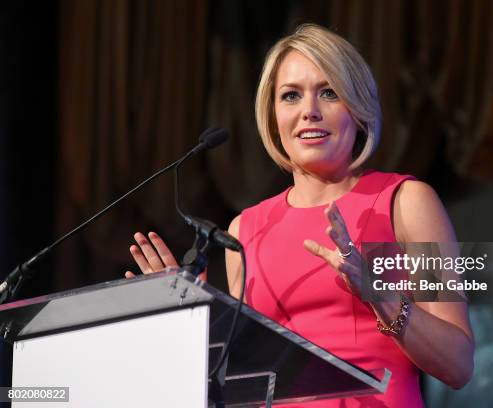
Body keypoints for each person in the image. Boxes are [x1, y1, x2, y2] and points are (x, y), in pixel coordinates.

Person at [126, 24, 474, 407]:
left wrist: (379, 294)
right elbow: (236, 384)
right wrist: (193, 323)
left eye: (328, 93)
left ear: (358, 110)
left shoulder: (405, 202)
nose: (309, 111)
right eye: (291, 96)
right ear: (273, 115)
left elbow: (458, 365)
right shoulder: (244, 230)